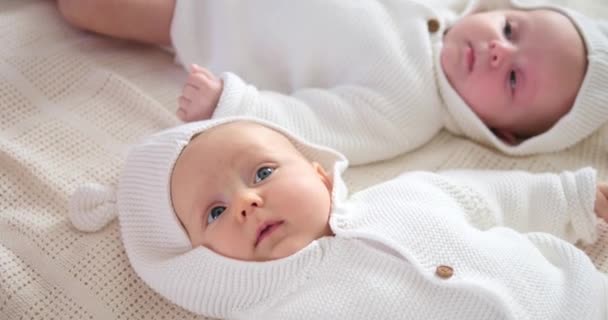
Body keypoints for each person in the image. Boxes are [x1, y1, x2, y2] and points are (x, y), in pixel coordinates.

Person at [69, 116, 608, 320]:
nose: (247, 202)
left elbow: (493, 196)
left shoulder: (406, 194)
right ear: (201, 263)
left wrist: (573, 198)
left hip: (581, 305)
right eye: (214, 213)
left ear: (320, 174)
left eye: (261, 173)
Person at [56, 0, 608, 163]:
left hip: (198, 14)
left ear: (502, 133)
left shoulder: (406, 109)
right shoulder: (439, 8)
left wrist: (233, 102)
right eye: (511, 29)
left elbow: (315, 129)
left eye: (513, 77)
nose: (496, 49)